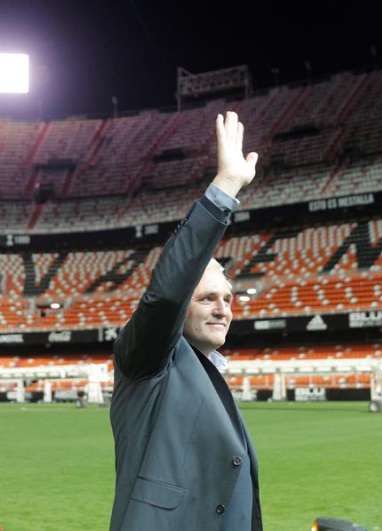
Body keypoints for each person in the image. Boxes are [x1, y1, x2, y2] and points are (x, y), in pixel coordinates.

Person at [109, 112, 262, 531]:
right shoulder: (149, 360)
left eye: (228, 299)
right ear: (181, 309)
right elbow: (165, 297)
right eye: (207, 298)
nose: (223, 309)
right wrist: (225, 188)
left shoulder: (210, 370)